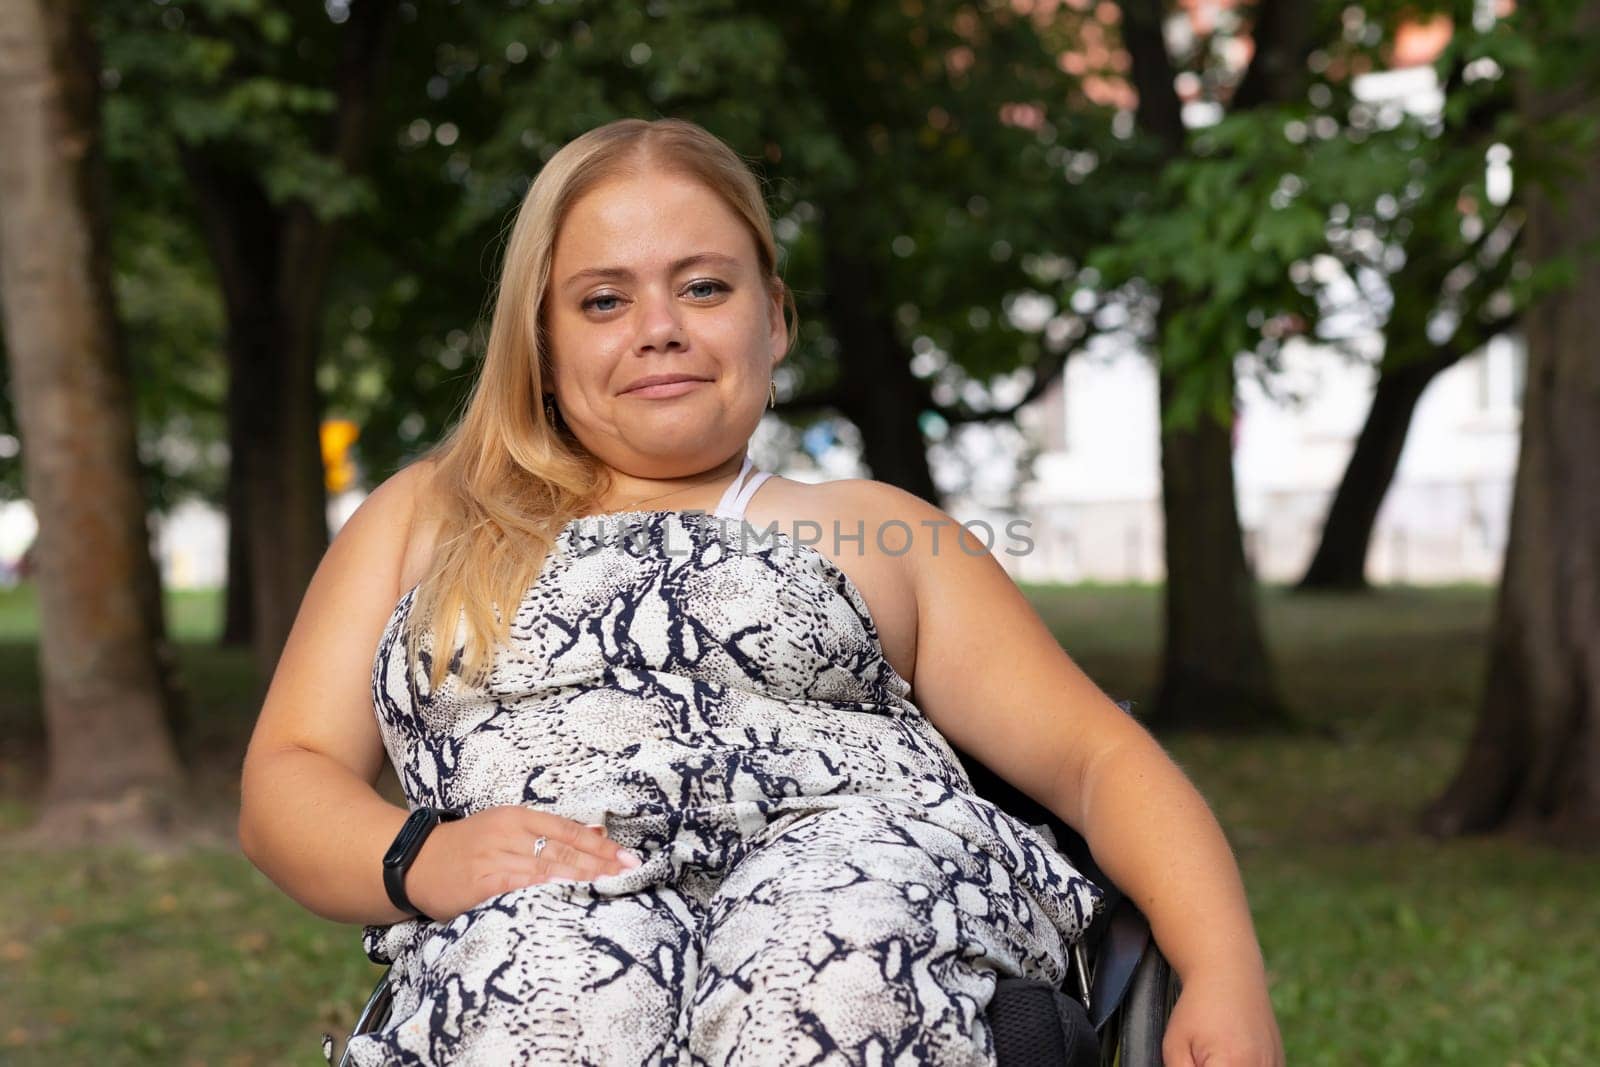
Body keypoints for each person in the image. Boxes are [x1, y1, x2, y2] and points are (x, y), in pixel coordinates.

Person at [238, 117, 1284, 1067]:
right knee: (549, 976)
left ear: (772, 320)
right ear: (542, 346)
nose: (659, 327)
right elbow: (291, 772)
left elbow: (1100, 758)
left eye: (703, 287)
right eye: (603, 300)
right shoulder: (430, 516)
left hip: (852, 882)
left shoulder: (874, 525)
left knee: (829, 953)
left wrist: (1225, 975)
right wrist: (423, 854)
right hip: (544, 900)